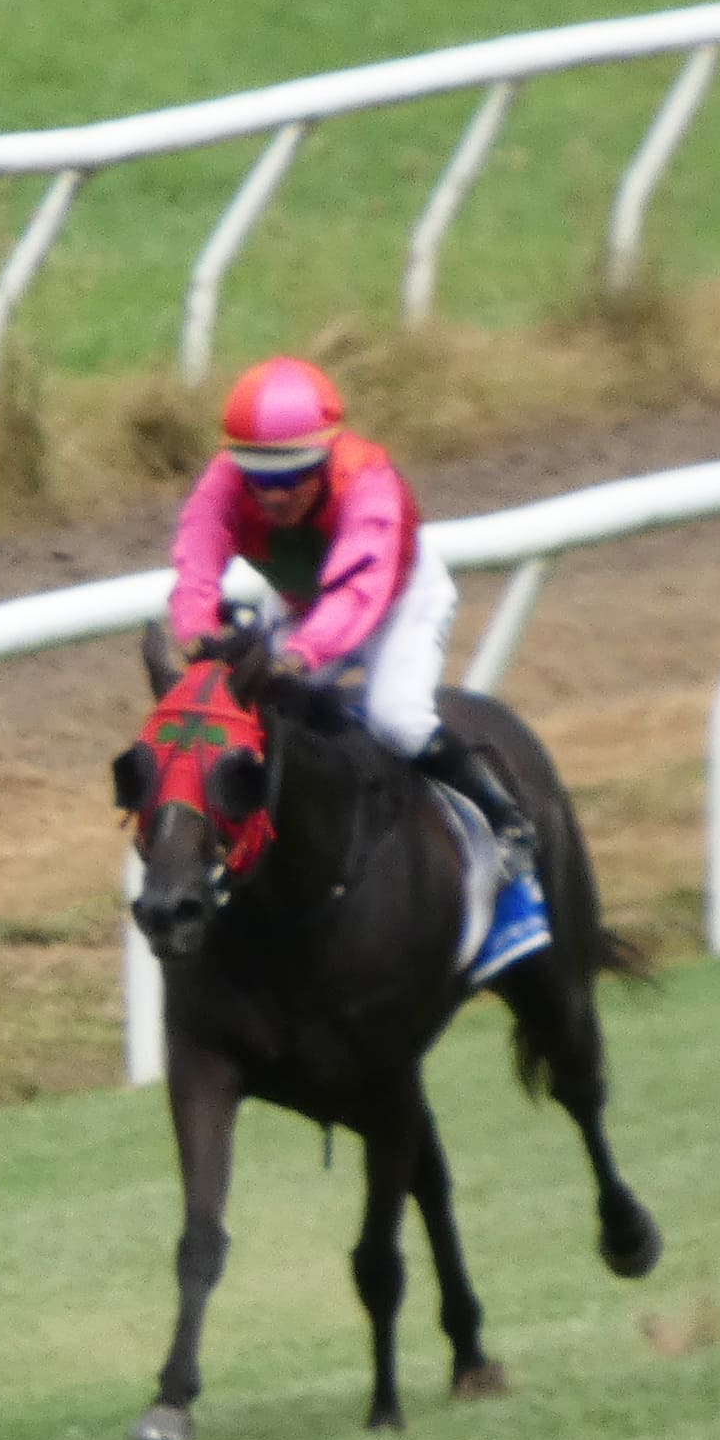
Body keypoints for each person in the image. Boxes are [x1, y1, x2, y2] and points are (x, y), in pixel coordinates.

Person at [168, 357, 548, 982]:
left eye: (293, 477)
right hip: (305, 604)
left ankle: (503, 816)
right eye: (259, 480)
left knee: (396, 719)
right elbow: (195, 569)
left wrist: (295, 657)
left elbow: (357, 594)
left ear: (325, 456)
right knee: (258, 721)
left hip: (397, 597)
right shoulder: (222, 484)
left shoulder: (367, 480)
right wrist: (198, 638)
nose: (275, 495)